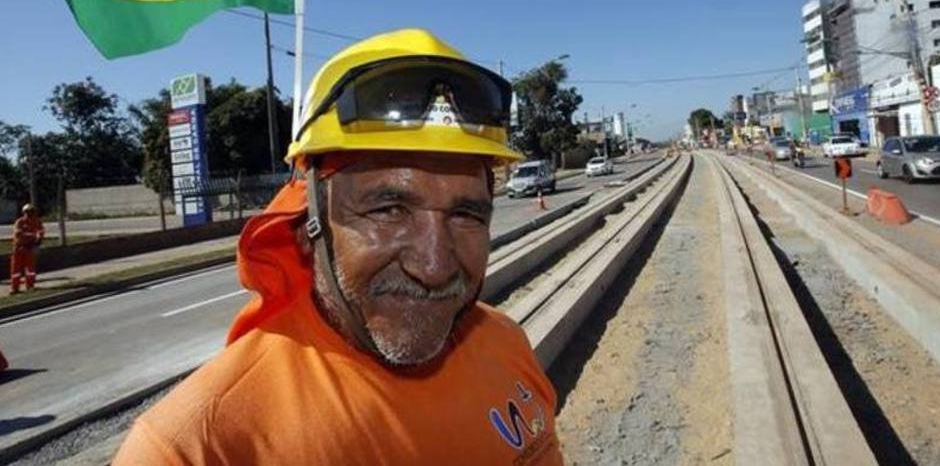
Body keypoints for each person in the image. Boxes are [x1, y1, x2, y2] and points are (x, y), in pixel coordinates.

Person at [114, 29, 563, 465]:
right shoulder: (195, 448)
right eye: (388, 208)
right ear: (310, 224)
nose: (434, 265)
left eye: (466, 215)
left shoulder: (505, 345)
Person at [10, 203, 44, 294]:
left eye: (31, 211)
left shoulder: (37, 221)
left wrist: (38, 242)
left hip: (30, 248)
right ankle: (15, 288)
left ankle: (30, 286)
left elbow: (41, 233)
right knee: (15, 270)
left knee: (31, 270)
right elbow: (18, 233)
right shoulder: (20, 222)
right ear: (24, 212)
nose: (29, 213)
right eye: (27, 212)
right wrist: (33, 236)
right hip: (19, 248)